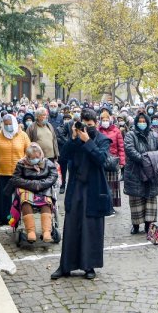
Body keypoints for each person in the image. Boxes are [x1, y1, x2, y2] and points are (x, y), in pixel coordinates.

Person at [52, 109, 112, 280]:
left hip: (94, 188)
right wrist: (73, 139)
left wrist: (88, 142)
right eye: (84, 124)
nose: (87, 128)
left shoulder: (102, 139)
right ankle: (66, 266)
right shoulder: (75, 139)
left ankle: (89, 266)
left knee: (91, 228)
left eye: (90, 125)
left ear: (96, 124)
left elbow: (102, 160)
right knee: (71, 225)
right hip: (76, 187)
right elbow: (63, 157)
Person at [8, 142, 59, 245]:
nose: (35, 159)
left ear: (40, 154)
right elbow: (15, 179)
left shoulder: (47, 163)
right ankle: (31, 232)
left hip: (43, 189)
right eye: (32, 157)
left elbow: (53, 176)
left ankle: (46, 232)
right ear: (28, 156)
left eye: (37, 156)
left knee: (46, 202)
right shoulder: (21, 164)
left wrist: (40, 184)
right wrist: (32, 184)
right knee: (25, 201)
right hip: (27, 188)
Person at [122, 112, 158, 235]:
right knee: (136, 199)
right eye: (140, 121)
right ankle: (135, 225)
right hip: (135, 171)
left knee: (150, 198)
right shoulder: (130, 135)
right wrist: (145, 160)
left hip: (151, 172)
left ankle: (148, 225)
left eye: (144, 121)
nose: (142, 123)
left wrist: (152, 159)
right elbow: (129, 149)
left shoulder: (154, 135)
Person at [0, 114, 30, 225]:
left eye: (10, 124)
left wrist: (26, 162)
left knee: (18, 196)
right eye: (6, 124)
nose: (8, 126)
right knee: (4, 196)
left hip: (19, 171)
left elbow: (29, 151)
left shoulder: (23, 135)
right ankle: (4, 217)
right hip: (3, 171)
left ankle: (16, 217)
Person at [98, 107, 126, 209]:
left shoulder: (116, 131)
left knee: (113, 185)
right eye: (103, 120)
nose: (105, 122)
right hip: (101, 160)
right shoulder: (98, 130)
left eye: (107, 120)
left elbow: (121, 147)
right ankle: (103, 204)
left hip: (113, 161)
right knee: (102, 183)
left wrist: (122, 161)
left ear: (110, 120)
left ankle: (112, 205)